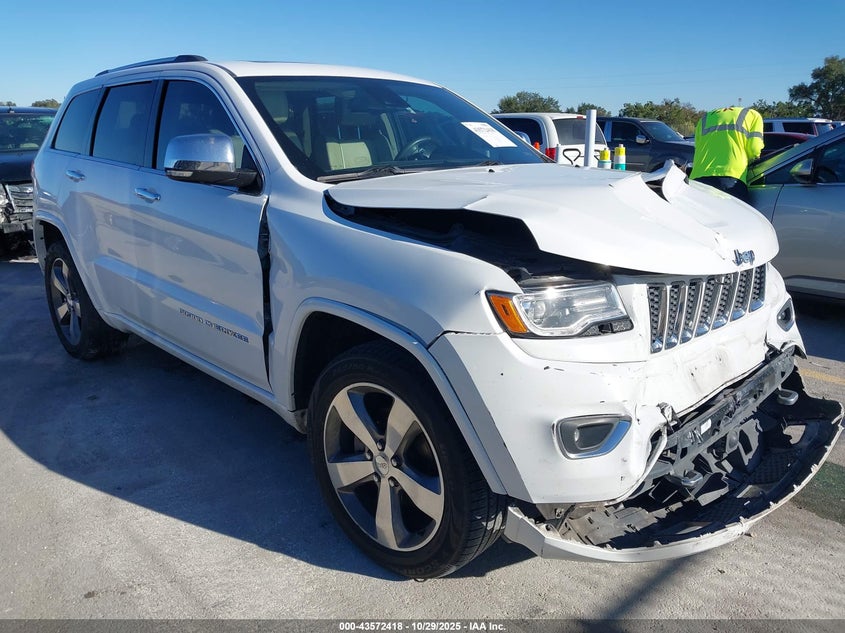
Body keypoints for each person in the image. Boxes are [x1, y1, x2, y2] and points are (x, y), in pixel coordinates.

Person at [690, 106, 764, 203]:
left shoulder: (705, 118)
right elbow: (754, 149)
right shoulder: (753, 116)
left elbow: (697, 147)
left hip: (698, 177)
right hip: (731, 176)